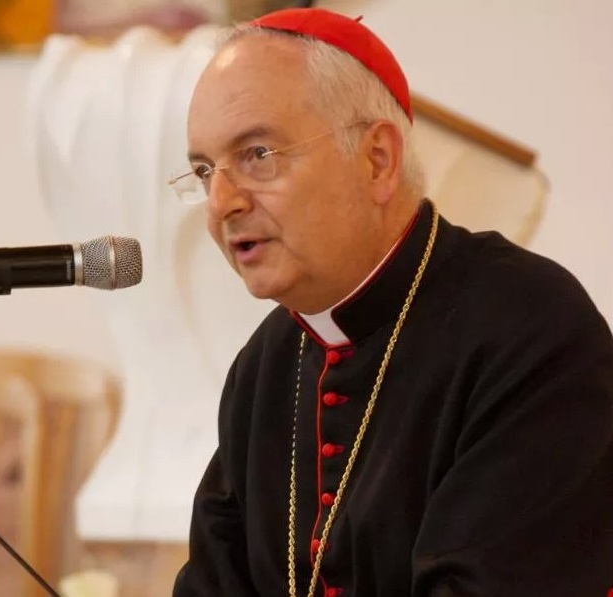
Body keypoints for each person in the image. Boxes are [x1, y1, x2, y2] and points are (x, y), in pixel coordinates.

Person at [168, 7, 613, 597]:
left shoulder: (532, 329)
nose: (222, 202)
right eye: (204, 171)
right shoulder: (266, 363)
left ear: (378, 159)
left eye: (257, 154)